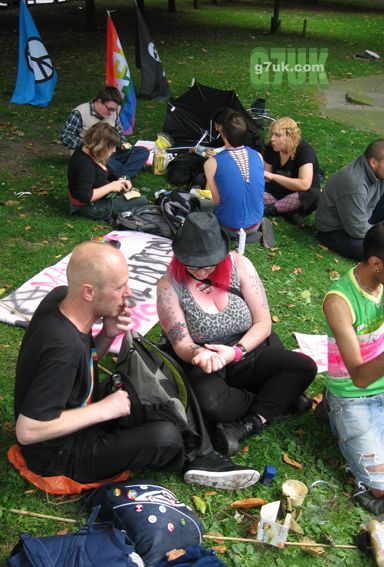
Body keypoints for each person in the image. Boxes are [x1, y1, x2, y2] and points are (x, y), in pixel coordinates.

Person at [14, 241, 260, 490]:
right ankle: (194, 458)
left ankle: (203, 454)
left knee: (154, 377)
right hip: (59, 454)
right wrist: (104, 410)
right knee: (165, 437)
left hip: (78, 409)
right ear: (88, 292)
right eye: (119, 287)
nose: (128, 293)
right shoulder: (62, 351)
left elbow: (81, 366)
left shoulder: (61, 299)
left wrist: (107, 335)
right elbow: (27, 430)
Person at [156, 212, 317, 457]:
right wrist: (200, 354)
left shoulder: (239, 265)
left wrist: (235, 352)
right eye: (193, 265)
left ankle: (250, 422)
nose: (201, 271)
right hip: (208, 363)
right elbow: (181, 343)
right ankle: (277, 399)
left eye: (209, 264)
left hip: (248, 348)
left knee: (304, 367)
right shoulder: (169, 286)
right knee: (213, 407)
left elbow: (263, 323)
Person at [323, 222, 384, 514]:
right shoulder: (339, 302)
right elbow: (359, 377)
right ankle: (332, 412)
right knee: (380, 486)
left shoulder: (382, 282)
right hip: (353, 396)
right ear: (376, 264)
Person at [204, 112, 274, 246]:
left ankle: (235, 236)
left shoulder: (211, 163)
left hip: (227, 226)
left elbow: (217, 200)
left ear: (223, 134)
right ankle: (250, 234)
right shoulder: (258, 156)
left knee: (203, 206)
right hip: (255, 221)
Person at [316, 140, 384, 261]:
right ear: (373, 162)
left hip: (363, 215)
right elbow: (357, 230)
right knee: (377, 253)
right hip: (337, 231)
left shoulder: (376, 170)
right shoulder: (355, 184)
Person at [60, 85, 148, 179]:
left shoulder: (114, 112)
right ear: (99, 101)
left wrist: (122, 143)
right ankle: (125, 172)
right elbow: (65, 137)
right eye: (110, 109)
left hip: (110, 151)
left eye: (114, 110)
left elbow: (119, 133)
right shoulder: (80, 112)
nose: (111, 112)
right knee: (108, 161)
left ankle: (121, 174)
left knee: (142, 151)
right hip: (91, 154)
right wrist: (90, 146)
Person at [67, 122, 147, 222]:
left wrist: (119, 178)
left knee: (130, 191)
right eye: (112, 147)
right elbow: (84, 196)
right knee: (142, 200)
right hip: (88, 207)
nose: (114, 150)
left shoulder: (90, 151)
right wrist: (110, 187)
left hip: (95, 199)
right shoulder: (85, 165)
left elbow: (106, 168)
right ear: (101, 146)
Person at [264, 117, 321, 225]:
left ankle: (270, 209)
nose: (272, 138)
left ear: (290, 137)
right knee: (254, 191)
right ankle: (287, 210)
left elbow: (304, 184)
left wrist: (273, 176)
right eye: (272, 134)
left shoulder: (304, 150)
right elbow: (266, 178)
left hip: (299, 194)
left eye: (277, 135)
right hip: (278, 190)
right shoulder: (271, 148)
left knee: (315, 195)